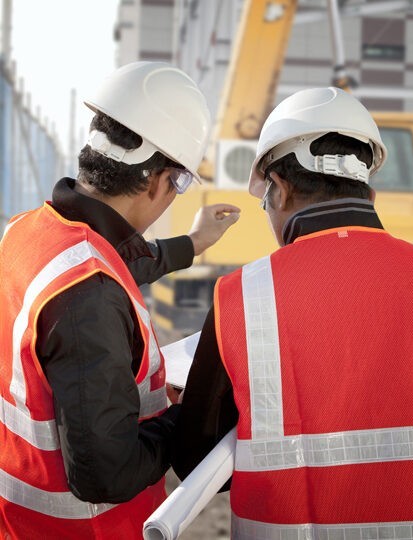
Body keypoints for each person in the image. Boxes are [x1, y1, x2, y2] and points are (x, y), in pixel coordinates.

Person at [173, 87, 413, 537]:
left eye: (264, 200)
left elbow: (196, 457)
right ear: (367, 183)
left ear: (281, 190)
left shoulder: (242, 295)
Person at [0, 62, 239, 539]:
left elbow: (113, 262)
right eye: (179, 183)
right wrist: (183, 416)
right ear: (158, 181)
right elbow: (103, 474)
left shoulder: (27, 232)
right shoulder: (88, 295)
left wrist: (192, 244)